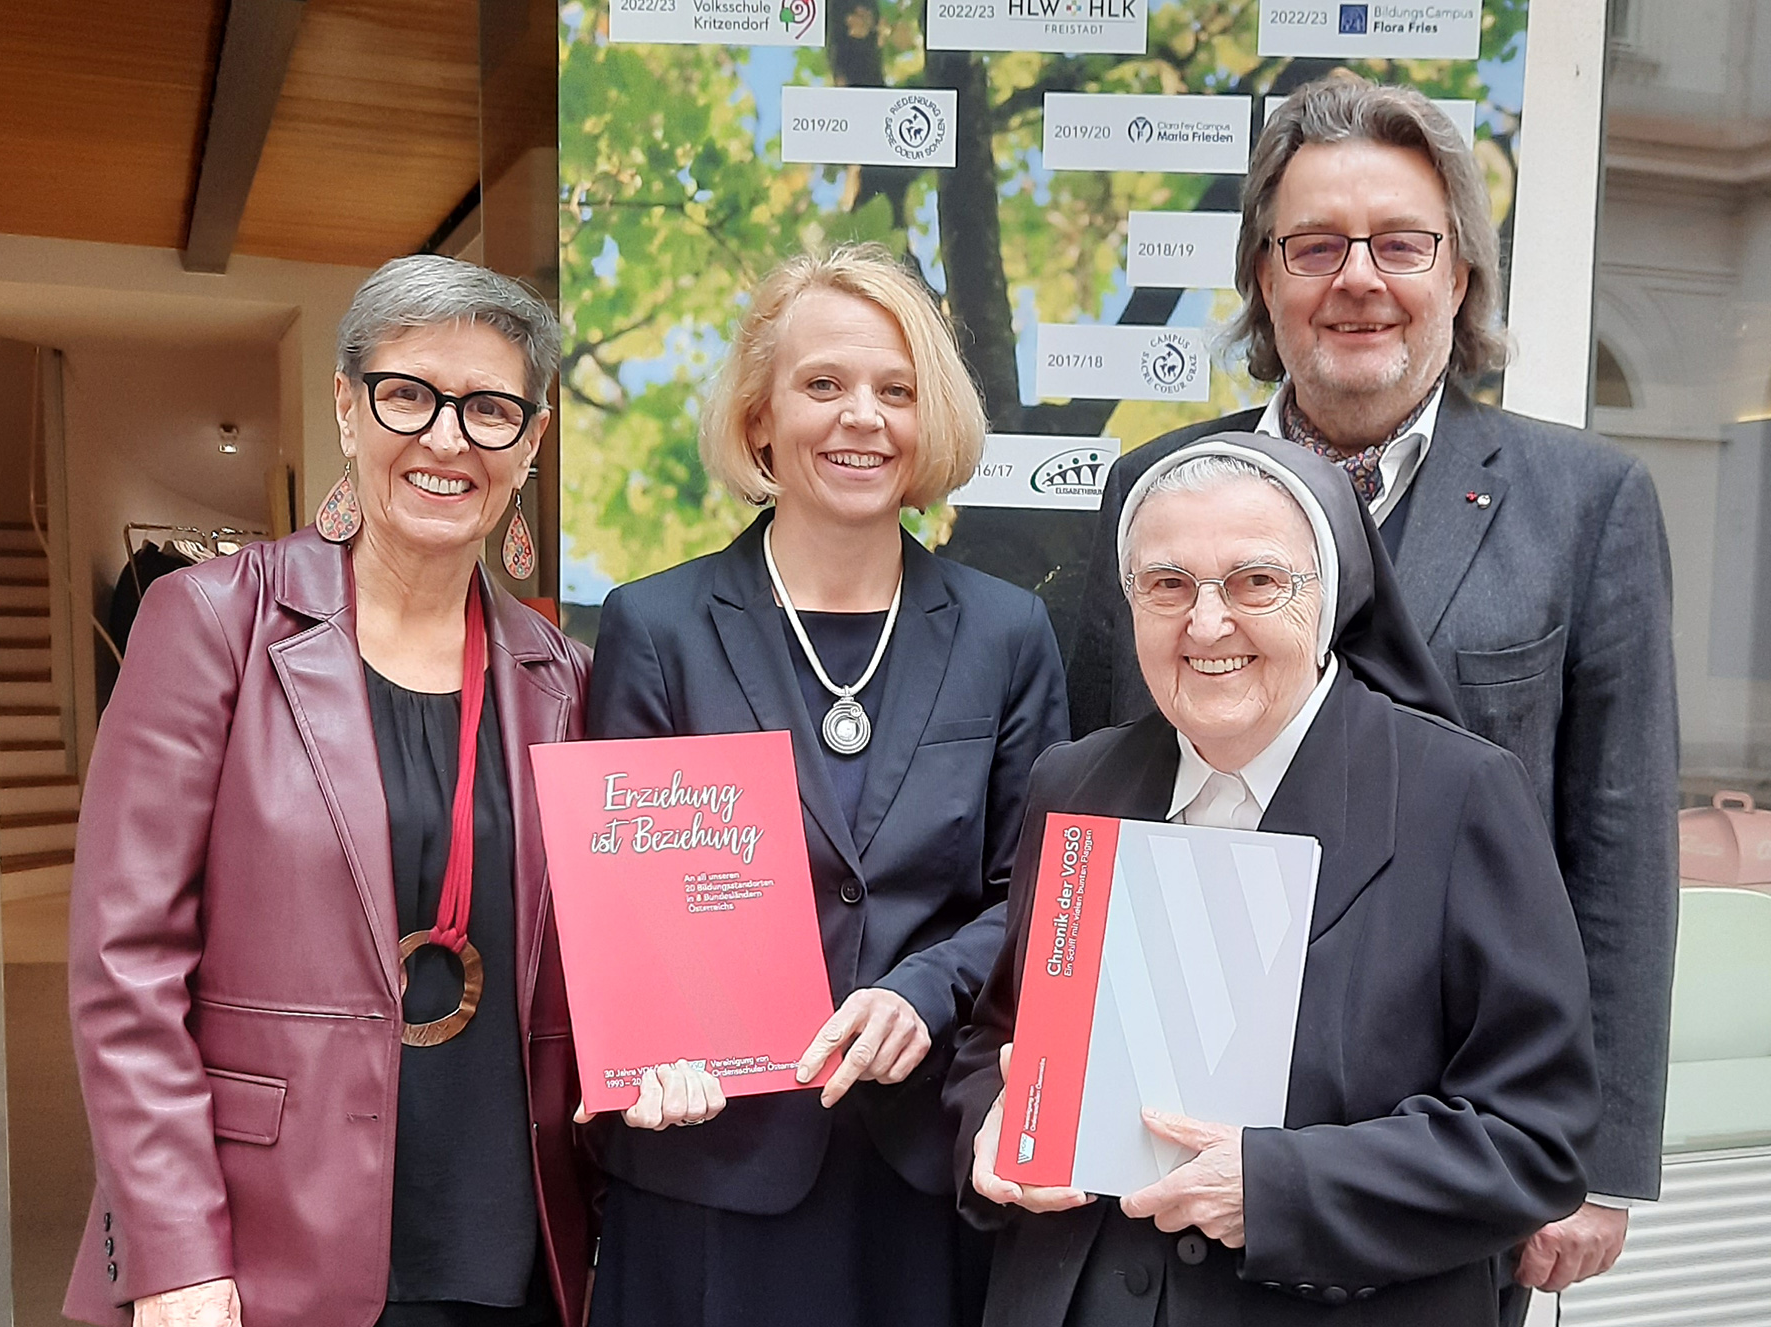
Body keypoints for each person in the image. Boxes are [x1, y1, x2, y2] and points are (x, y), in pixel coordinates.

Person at [1067, 74, 1678, 1316]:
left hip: (1434, 1157)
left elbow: (1617, 843)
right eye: (1313, 246)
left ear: (1458, 274)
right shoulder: (1161, 490)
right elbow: (1107, 791)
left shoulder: (1585, 504)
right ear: (1264, 280)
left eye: (1401, 243)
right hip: (1167, 1149)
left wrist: (1599, 1164)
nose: (1358, 277)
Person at [948, 433, 1601, 1326]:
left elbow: (1534, 1136)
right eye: (1168, 584)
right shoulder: (1076, 783)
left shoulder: (1460, 797)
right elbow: (996, 1038)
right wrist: (992, 1120)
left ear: (1327, 597)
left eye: (1257, 582)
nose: (1207, 624)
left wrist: (1280, 1187)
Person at [65, 255, 594, 1327]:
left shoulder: (562, 676)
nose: (448, 440)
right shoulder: (215, 623)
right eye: (410, 395)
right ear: (349, 407)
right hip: (268, 1252)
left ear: (530, 443)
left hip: (514, 1253)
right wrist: (170, 1250)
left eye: (490, 409)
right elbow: (127, 963)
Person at [583, 243, 1069, 1327]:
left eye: (897, 390)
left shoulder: (1008, 632)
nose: (864, 417)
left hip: (925, 1170)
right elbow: (631, 918)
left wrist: (926, 987)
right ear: (760, 419)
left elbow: (1035, 894)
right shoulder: (653, 628)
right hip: (711, 1169)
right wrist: (656, 1044)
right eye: (824, 385)